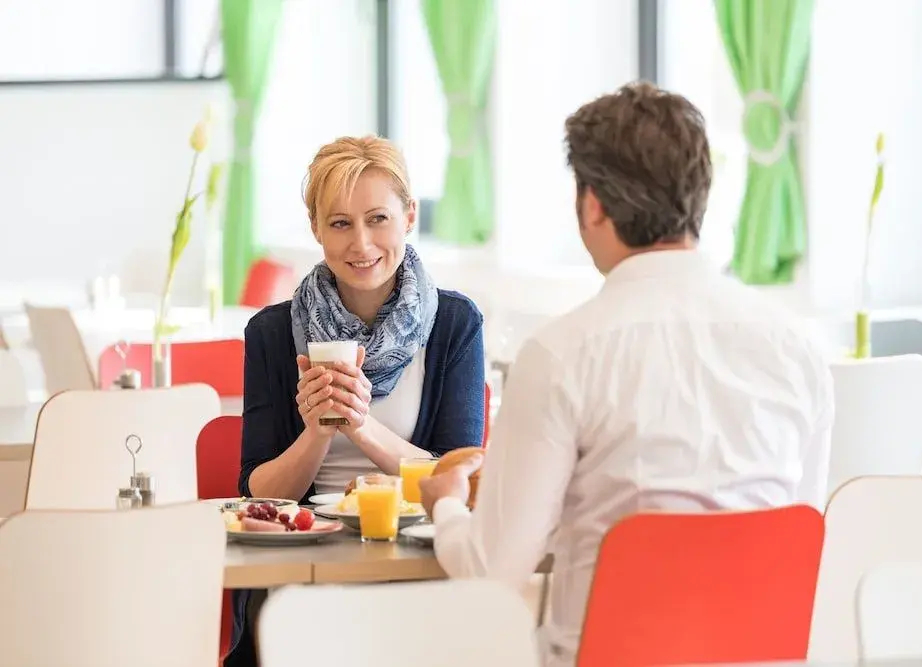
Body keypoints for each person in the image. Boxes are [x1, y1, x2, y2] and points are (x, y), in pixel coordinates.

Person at [420, 82, 835, 667]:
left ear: (592, 204)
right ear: (701, 194)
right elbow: (794, 533)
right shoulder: (798, 350)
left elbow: (490, 573)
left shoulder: (561, 355)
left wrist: (446, 504)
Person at [225, 135, 485, 667]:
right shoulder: (272, 333)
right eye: (340, 223)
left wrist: (361, 426)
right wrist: (317, 431)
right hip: (304, 576)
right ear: (316, 229)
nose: (361, 244)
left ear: (409, 217)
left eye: (378, 219)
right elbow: (258, 492)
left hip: (416, 570)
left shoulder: (455, 324)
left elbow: (461, 479)